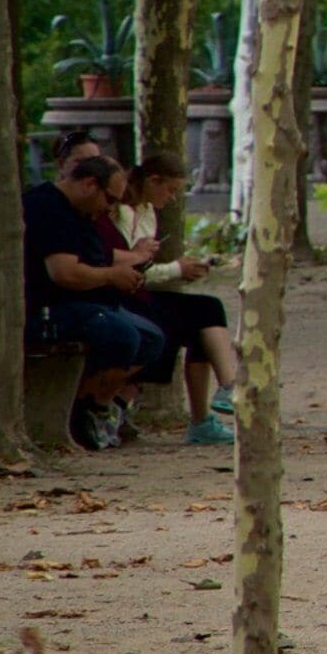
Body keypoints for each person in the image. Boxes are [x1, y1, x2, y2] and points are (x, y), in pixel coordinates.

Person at [23, 153, 173, 450]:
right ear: (89, 185)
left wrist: (130, 266)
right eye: (110, 199)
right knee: (122, 337)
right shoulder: (49, 209)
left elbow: (99, 255)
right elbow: (65, 273)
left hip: (93, 302)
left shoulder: (86, 213)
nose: (112, 208)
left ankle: (95, 401)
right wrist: (110, 277)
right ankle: (80, 409)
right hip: (52, 307)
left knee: (152, 338)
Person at [117, 157, 237, 443]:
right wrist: (176, 269)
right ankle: (229, 388)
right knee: (195, 315)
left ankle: (208, 412)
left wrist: (180, 271)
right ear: (152, 181)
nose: (171, 198)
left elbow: (144, 267)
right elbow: (130, 268)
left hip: (141, 291)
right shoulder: (122, 213)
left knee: (206, 313)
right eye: (169, 190)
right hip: (121, 294)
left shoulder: (147, 212)